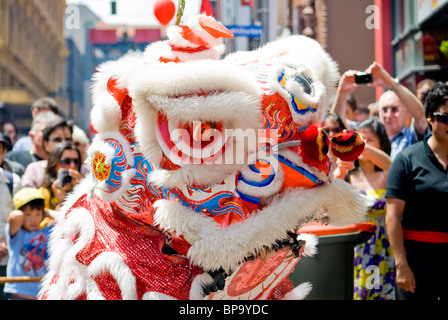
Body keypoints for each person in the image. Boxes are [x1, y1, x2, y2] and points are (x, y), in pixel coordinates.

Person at [385, 82, 448, 300]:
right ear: (430, 117)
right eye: (445, 118)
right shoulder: (407, 159)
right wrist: (401, 264)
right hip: (417, 264)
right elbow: (392, 216)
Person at [345, 118, 395, 300]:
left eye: (370, 139)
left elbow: (389, 163)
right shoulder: (347, 175)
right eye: (359, 138)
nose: (363, 143)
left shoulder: (386, 173)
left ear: (382, 143)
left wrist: (359, 144)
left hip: (383, 245)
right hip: (356, 247)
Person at [3, 188, 54, 300]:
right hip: (19, 293)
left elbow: (64, 219)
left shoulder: (46, 232)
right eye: (28, 214)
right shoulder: (17, 233)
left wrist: (47, 212)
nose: (33, 220)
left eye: (38, 214)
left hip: (42, 293)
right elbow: (16, 216)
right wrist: (37, 211)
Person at [21, 118, 73, 189]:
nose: (63, 143)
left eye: (68, 139)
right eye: (57, 139)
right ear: (46, 144)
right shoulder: (35, 170)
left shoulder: (83, 169)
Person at [40, 141, 83, 210]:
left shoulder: (84, 191)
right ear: (54, 163)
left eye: (76, 161)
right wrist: (61, 202)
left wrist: (82, 189)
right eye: (67, 161)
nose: (72, 166)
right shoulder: (43, 194)